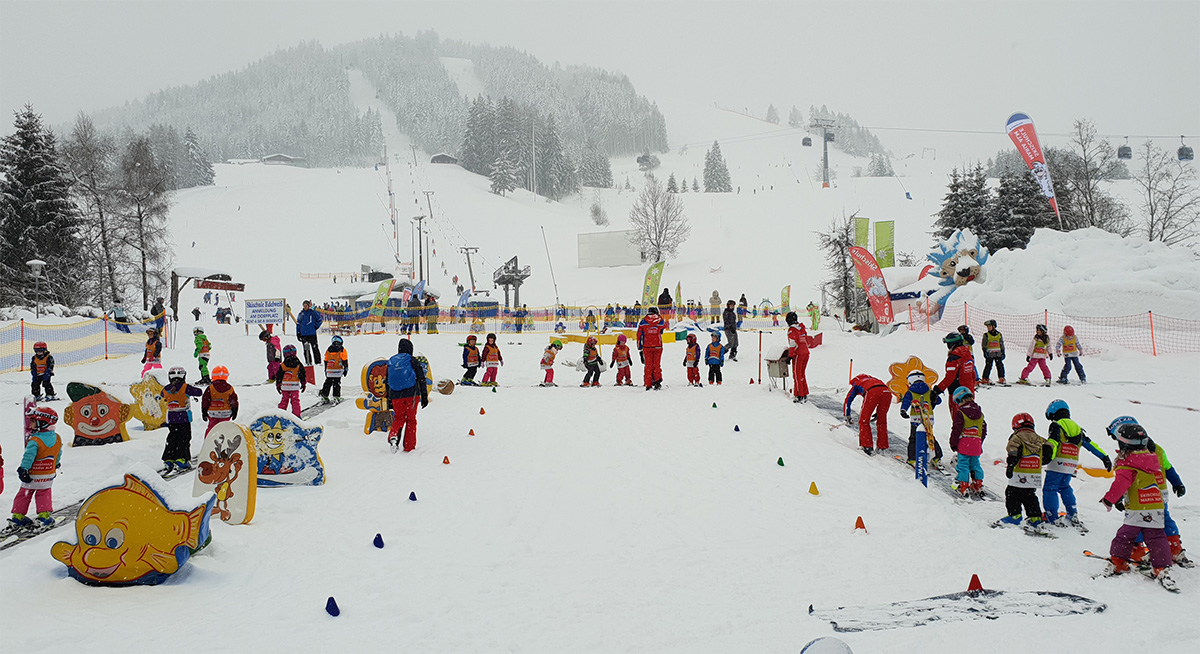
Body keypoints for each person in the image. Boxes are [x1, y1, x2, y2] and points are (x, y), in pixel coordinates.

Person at [1106, 416, 1191, 568]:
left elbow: (1123, 481)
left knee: (1137, 523)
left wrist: (1116, 498)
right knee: (1162, 520)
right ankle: (1174, 547)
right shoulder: (1157, 449)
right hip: (1158, 494)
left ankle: (1137, 550)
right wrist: (1177, 483)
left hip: (1140, 496)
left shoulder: (1127, 456)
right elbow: (1168, 467)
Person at [1099, 423, 1176, 590]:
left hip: (1138, 507)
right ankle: (1161, 568)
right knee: (1156, 537)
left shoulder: (1127, 463)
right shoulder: (1150, 459)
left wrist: (1109, 499)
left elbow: (1121, 484)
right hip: (1155, 504)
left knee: (1125, 536)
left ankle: (1119, 563)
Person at [1043, 399, 1111, 528]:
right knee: (1065, 487)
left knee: (1050, 488)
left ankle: (1051, 516)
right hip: (1071, 464)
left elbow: (1054, 442)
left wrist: (1047, 457)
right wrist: (1104, 457)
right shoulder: (1078, 429)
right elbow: (1090, 445)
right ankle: (1072, 512)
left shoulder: (1057, 425)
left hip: (1057, 462)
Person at [995, 412, 1051, 534]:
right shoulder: (1039, 439)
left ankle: (1015, 516)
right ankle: (1035, 518)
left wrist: (1010, 465)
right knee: (1029, 495)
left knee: (1012, 493)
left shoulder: (1017, 437)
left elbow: (1013, 451)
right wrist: (1041, 461)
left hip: (1019, 473)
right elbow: (1049, 449)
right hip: (1034, 474)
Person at [7, 406, 62, 530]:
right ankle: (44, 516)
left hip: (32, 474)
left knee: (24, 494)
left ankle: (18, 516)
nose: (30, 423)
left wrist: (23, 469)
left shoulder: (35, 440)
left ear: (42, 423)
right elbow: (58, 454)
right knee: (44, 494)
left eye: (32, 421)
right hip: (47, 474)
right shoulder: (57, 438)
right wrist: (56, 464)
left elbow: (29, 457)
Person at [386, 338, 429, 452]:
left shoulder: (392, 361)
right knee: (411, 420)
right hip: (412, 394)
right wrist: (424, 396)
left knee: (399, 418)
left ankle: (394, 435)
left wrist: (389, 398)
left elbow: (387, 381)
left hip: (396, 395)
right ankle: (409, 447)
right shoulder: (412, 360)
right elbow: (421, 378)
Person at [162, 366, 204, 472]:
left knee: (172, 438)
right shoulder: (186, 388)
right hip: (183, 417)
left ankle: (169, 459)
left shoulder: (166, 389)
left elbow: (162, 394)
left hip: (172, 418)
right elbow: (199, 392)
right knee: (184, 438)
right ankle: (182, 459)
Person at [949, 387, 987, 498]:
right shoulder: (980, 413)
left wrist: (953, 443)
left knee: (963, 464)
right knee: (975, 464)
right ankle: (977, 483)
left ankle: (963, 485)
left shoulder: (961, 413)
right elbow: (984, 429)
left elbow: (956, 429)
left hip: (964, 443)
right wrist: (980, 441)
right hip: (976, 443)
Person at [900, 370, 943, 467]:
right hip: (928, 418)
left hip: (916, 419)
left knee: (914, 438)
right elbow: (939, 401)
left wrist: (903, 410)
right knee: (930, 436)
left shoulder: (911, 391)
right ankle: (936, 456)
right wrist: (934, 397)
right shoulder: (929, 390)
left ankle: (912, 458)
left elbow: (906, 402)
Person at [844, 373, 890, 455]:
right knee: (882, 421)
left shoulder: (857, 384)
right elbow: (880, 391)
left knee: (863, 421)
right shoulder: (874, 380)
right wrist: (878, 412)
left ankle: (867, 446)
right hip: (887, 391)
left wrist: (847, 415)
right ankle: (882, 447)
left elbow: (848, 400)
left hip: (872, 392)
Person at [935, 331, 976, 420]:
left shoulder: (954, 358)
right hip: (969, 392)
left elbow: (950, 377)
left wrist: (938, 390)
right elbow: (973, 375)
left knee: (958, 419)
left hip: (956, 393)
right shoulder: (969, 355)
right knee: (969, 417)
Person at [201, 366, 239, 435]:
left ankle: (209, 441)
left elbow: (205, 400)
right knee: (225, 429)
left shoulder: (210, 388)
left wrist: (204, 411)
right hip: (226, 413)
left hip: (213, 413)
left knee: (212, 429)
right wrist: (235, 410)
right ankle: (224, 440)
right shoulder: (229, 388)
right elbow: (234, 401)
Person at [637, 307, 668, 390]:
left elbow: (639, 335)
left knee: (648, 365)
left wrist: (639, 347)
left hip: (647, 346)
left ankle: (648, 383)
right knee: (656, 364)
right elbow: (663, 326)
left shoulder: (643, 321)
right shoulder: (659, 320)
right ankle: (657, 381)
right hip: (658, 345)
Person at [275, 344, 306, 418]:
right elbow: (302, 374)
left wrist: (278, 384)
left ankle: (280, 415)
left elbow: (279, 375)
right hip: (294, 387)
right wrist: (303, 383)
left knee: (284, 400)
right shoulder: (298, 364)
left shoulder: (283, 365)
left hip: (285, 386)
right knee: (295, 401)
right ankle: (296, 415)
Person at [785, 311, 809, 403]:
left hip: (798, 354)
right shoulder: (801, 328)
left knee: (797, 375)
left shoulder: (792, 330)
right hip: (806, 353)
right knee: (802, 375)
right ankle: (805, 393)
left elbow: (793, 344)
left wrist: (790, 356)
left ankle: (799, 395)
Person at [319, 335, 348, 404]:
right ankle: (336, 396)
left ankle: (325, 396)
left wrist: (325, 369)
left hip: (330, 369)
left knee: (328, 382)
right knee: (336, 383)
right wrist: (346, 368)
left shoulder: (328, 349)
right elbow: (344, 360)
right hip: (338, 369)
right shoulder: (342, 350)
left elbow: (326, 359)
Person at [295, 300, 323, 366]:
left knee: (315, 348)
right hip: (304, 334)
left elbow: (319, 320)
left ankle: (318, 362)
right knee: (306, 349)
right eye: (304, 306)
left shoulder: (313, 313)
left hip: (312, 334)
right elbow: (298, 323)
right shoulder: (301, 314)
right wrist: (298, 333)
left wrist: (315, 327)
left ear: (308, 306)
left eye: (306, 305)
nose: (305, 307)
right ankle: (308, 362)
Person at [979, 319, 1006, 385]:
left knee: (1000, 366)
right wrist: (984, 352)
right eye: (988, 327)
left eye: (990, 326)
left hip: (998, 353)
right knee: (988, 366)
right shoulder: (986, 335)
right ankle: (985, 378)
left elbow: (1001, 343)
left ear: (994, 326)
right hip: (990, 353)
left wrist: (1003, 352)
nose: (988, 328)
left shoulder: (999, 334)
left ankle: (1001, 378)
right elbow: (984, 344)